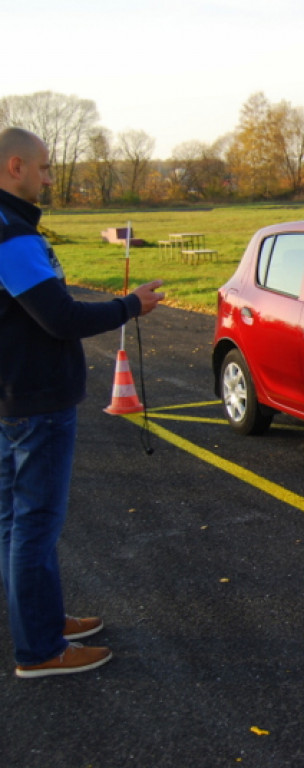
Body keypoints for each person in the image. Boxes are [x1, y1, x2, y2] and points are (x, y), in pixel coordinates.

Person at [0, 127, 165, 677]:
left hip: (14, 397)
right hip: (33, 401)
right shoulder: (11, 236)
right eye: (44, 169)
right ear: (14, 167)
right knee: (35, 524)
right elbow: (61, 317)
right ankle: (41, 650)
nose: (50, 178)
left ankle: (40, 623)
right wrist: (129, 306)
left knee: (17, 524)